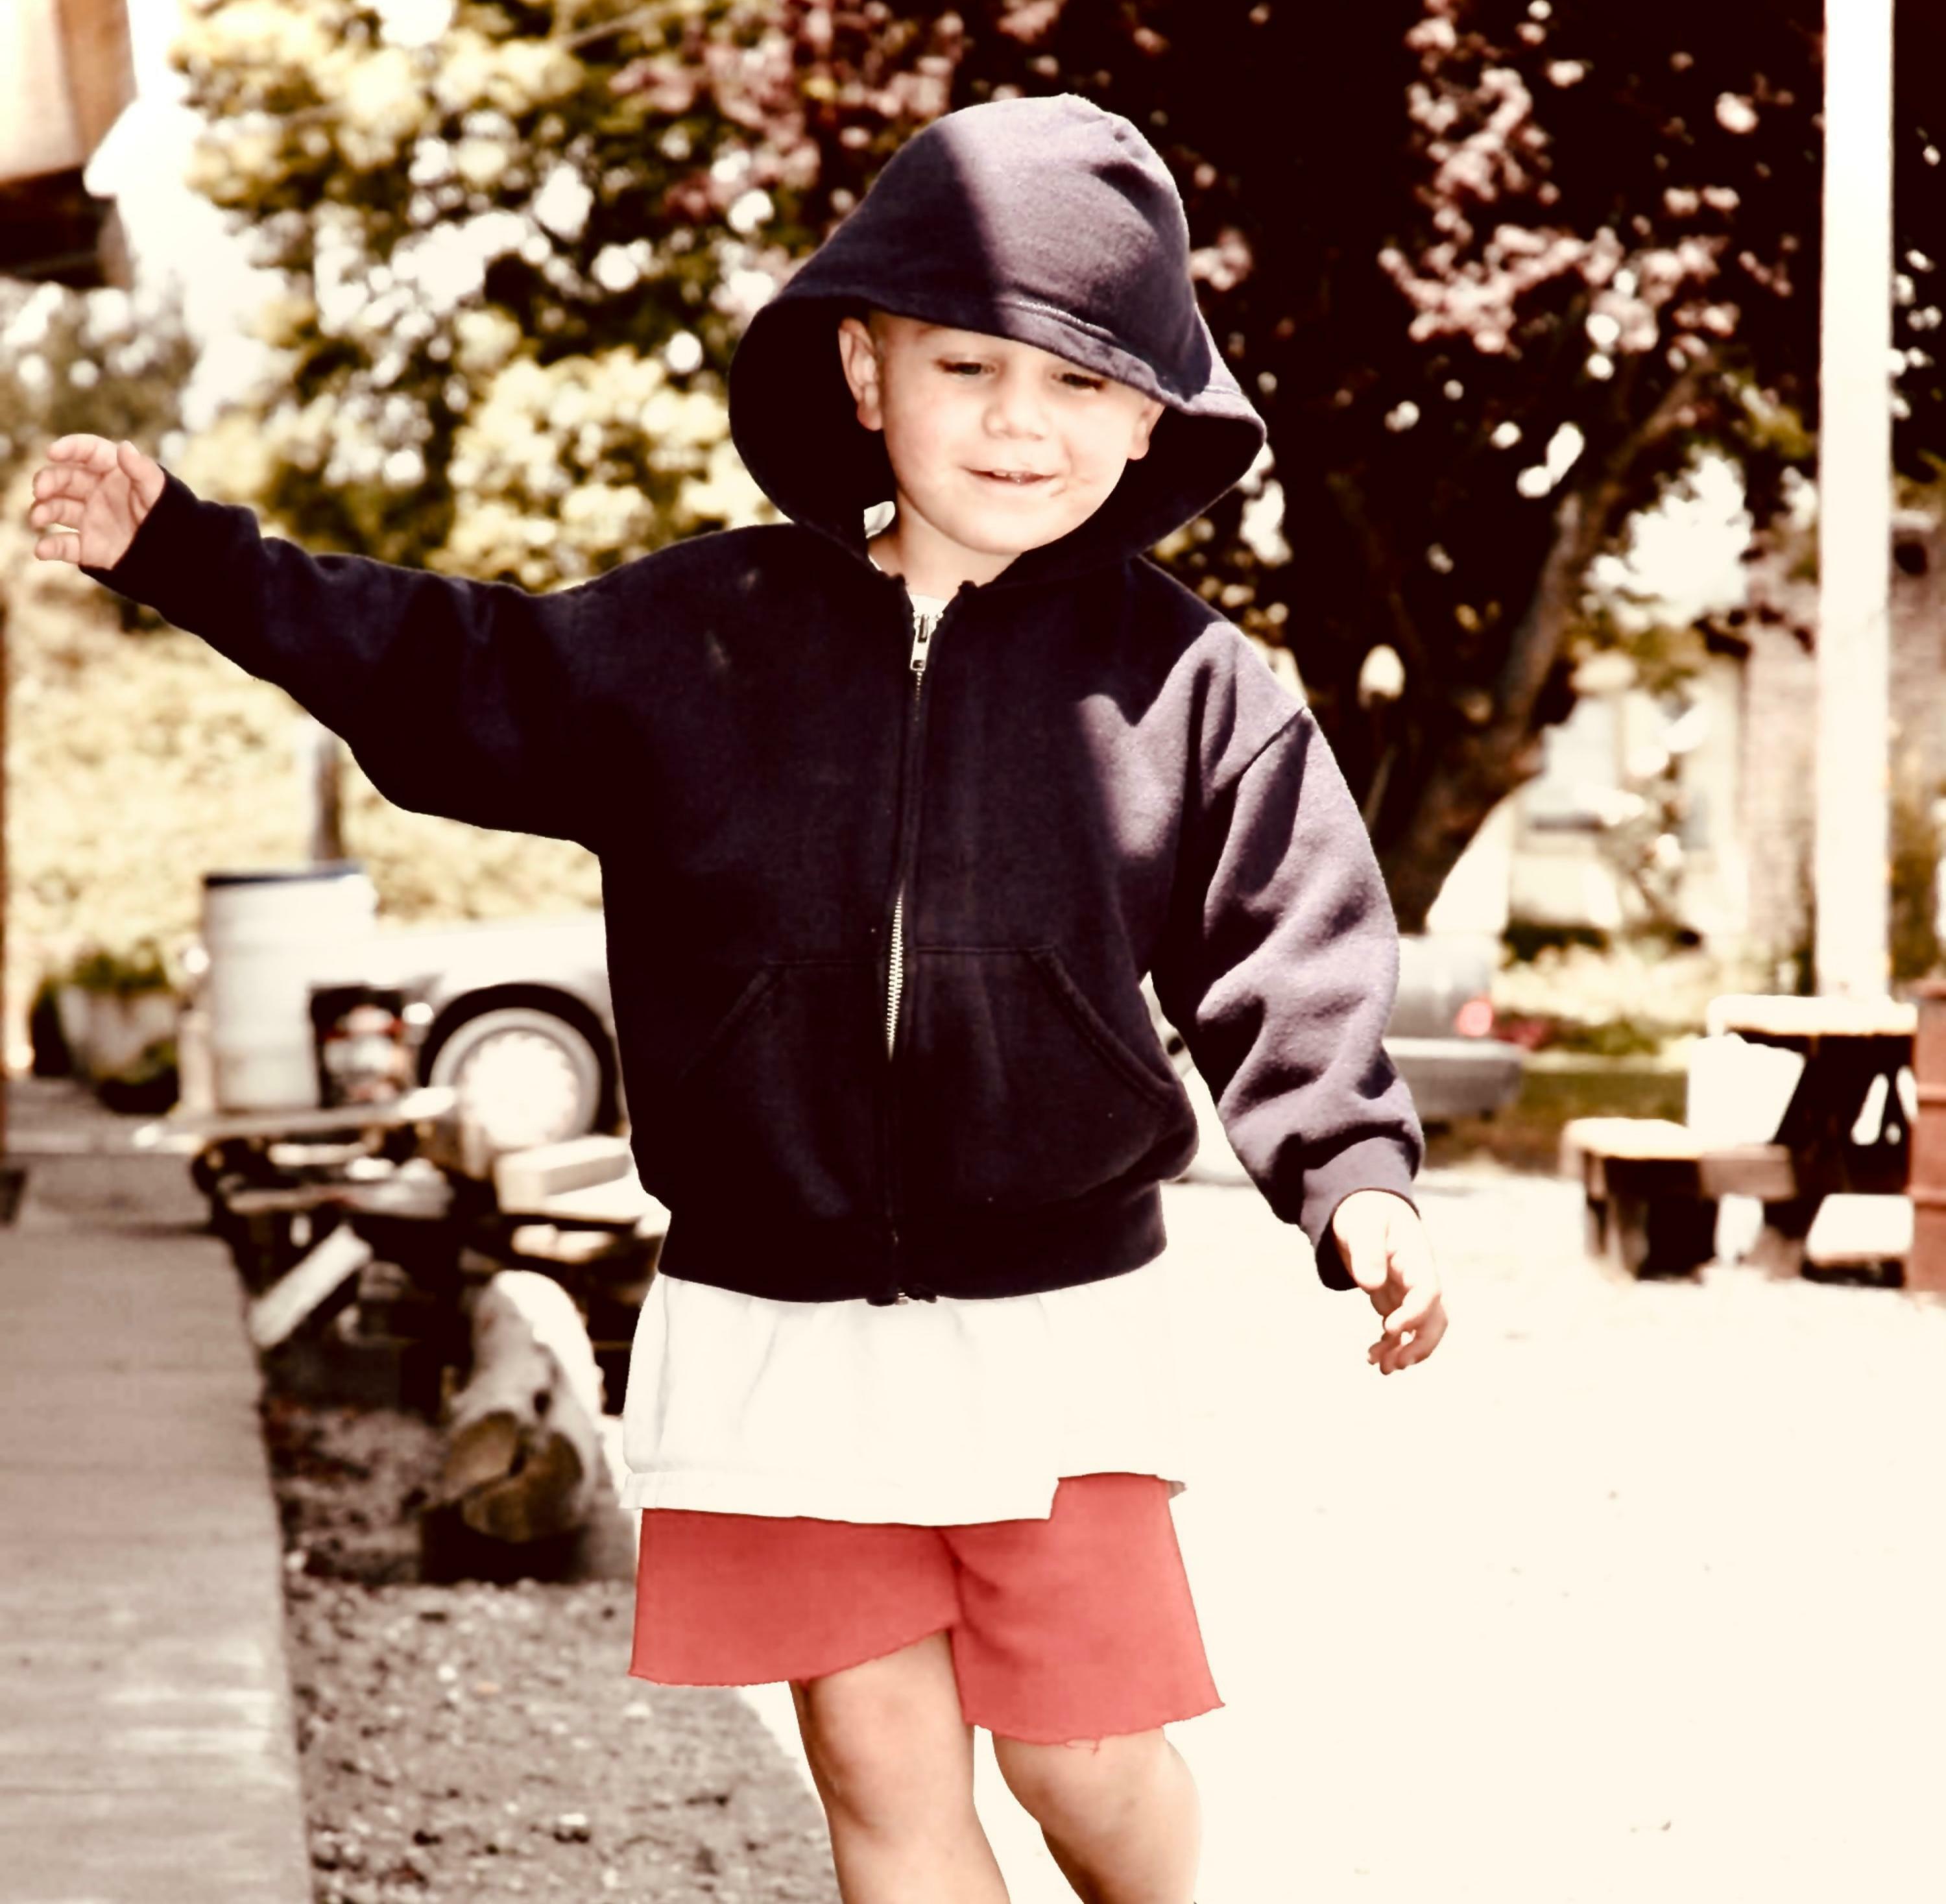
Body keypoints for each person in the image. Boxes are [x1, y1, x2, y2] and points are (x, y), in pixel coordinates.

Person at [30, 93, 1446, 1904]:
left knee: (1083, 1762)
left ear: (1153, 413)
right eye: (968, 366)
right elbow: (446, 668)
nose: (1021, 422)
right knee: (878, 1768)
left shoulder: (1188, 685)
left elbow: (1284, 946)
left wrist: (1357, 1180)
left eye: (1081, 381)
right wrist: (182, 549)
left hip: (1058, 1324)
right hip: (776, 1321)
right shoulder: (695, 637)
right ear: (864, 372)